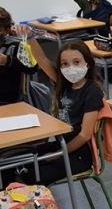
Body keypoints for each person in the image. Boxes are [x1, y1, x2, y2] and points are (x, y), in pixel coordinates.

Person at [14, 39, 104, 184]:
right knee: (17, 158)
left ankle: (34, 203)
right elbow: (41, 59)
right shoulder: (64, 83)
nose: (71, 68)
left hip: (78, 155)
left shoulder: (91, 91)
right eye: (65, 64)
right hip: (62, 144)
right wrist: (29, 36)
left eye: (76, 62)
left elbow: (85, 135)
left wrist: (58, 154)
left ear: (87, 62)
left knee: (30, 175)